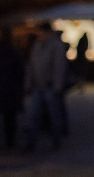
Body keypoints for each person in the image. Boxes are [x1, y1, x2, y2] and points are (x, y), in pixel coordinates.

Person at [24, 23, 69, 151]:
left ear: (47, 32)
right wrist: (28, 84)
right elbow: (31, 66)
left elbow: (59, 67)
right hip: (38, 86)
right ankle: (31, 141)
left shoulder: (56, 45)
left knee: (54, 114)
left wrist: (57, 85)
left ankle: (56, 140)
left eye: (40, 32)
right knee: (34, 114)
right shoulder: (37, 45)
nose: (39, 35)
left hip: (50, 86)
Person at [0, 28, 25, 149]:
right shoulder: (14, 53)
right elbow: (20, 73)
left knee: (9, 118)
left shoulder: (13, 53)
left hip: (7, 89)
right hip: (10, 90)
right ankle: (10, 141)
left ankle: (9, 141)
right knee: (10, 118)